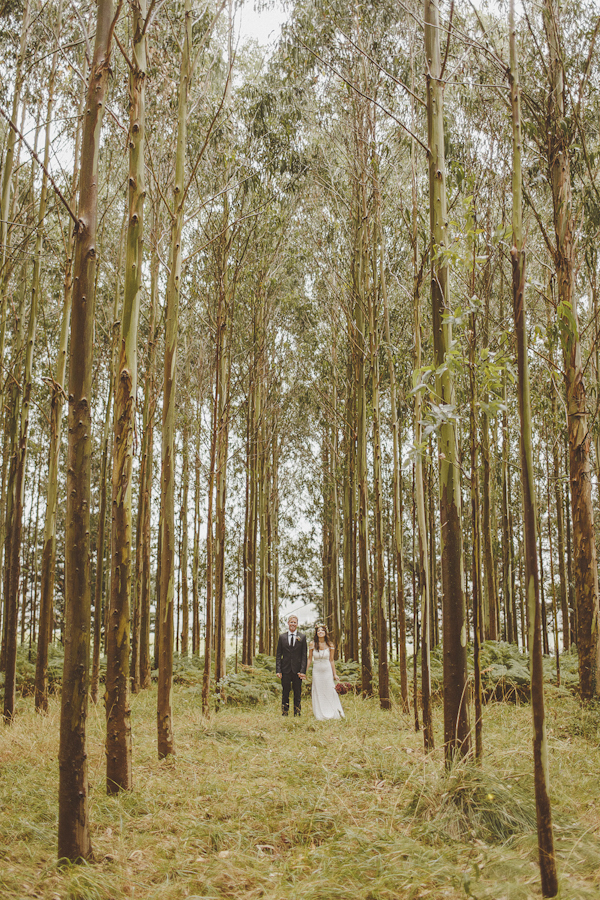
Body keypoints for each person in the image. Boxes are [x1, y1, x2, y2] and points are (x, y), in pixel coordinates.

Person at [308, 623, 345, 720]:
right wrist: (304, 671)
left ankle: (332, 711)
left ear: (325, 632)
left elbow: (331, 660)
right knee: (318, 691)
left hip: (327, 670)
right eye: (318, 630)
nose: (320, 632)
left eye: (322, 630)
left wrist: (335, 674)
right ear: (316, 633)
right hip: (316, 670)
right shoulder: (312, 644)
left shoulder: (330, 645)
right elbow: (309, 659)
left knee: (329, 690)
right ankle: (320, 713)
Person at [275, 615, 307, 716]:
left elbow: (304, 656)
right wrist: (278, 670)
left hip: (297, 670)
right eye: (291, 622)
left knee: (297, 692)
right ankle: (285, 712)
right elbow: (279, 655)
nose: (293, 624)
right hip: (285, 670)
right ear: (288, 623)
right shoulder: (282, 637)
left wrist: (302, 671)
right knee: (285, 692)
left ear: (297, 624)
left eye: (295, 622)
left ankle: (297, 712)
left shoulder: (302, 637)